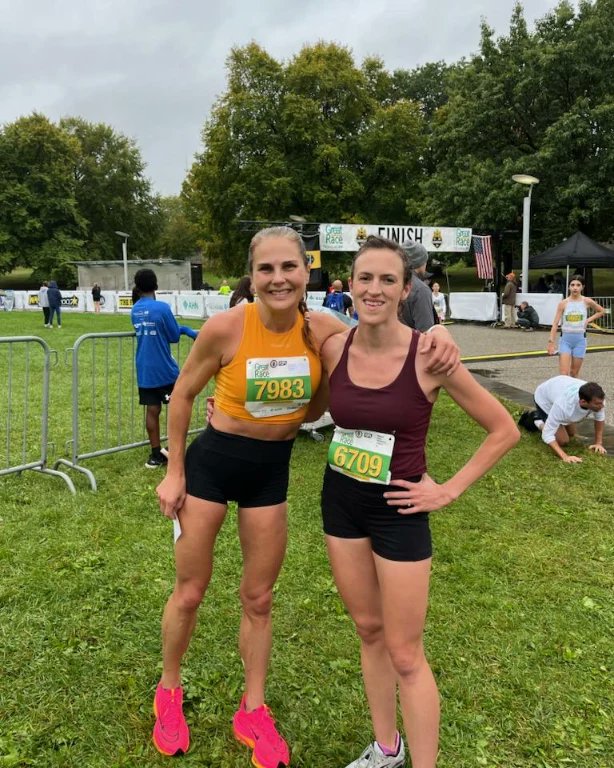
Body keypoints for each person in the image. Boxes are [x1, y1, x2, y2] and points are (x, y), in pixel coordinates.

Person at [153, 226, 460, 764]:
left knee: (260, 599)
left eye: (289, 268)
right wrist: (174, 471)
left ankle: (252, 708)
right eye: (266, 269)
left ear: (306, 272)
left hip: (271, 473)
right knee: (191, 590)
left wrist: (440, 336)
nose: (278, 279)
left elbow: (366, 358)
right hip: (212, 466)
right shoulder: (227, 327)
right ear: (252, 275)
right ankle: (169, 690)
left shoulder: (323, 329)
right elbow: (182, 397)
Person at [317, 235, 519, 768]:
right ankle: (387, 747)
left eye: (388, 279)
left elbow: (503, 430)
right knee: (368, 630)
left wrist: (447, 489)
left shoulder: (429, 355)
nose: (374, 289)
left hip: (400, 512)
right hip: (340, 505)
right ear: (350, 286)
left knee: (405, 653)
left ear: (407, 289)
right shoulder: (333, 345)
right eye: (365, 278)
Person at [130, 269, 199, 469]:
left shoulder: (134, 310)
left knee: (152, 411)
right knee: (178, 406)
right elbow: (173, 336)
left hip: (144, 370)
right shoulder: (162, 308)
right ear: (156, 285)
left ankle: (155, 454)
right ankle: (175, 451)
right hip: (165, 370)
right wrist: (186, 330)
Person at [523, 375, 607, 463]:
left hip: (560, 387)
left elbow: (599, 418)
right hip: (544, 399)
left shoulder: (598, 399)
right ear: (583, 402)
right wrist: (565, 457)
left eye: (602, 402)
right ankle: (537, 420)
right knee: (563, 441)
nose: (602, 406)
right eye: (598, 404)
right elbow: (547, 435)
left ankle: (553, 421)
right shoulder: (563, 406)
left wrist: (598, 443)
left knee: (571, 434)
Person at [547, 275, 604, 378]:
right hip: (565, 340)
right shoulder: (563, 303)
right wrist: (551, 342)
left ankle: (573, 393)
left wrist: (588, 320)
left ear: (582, 287)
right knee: (564, 374)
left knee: (574, 373)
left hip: (580, 340)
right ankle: (563, 393)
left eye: (578, 285)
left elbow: (601, 311)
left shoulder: (587, 301)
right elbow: (555, 323)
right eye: (572, 285)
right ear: (569, 287)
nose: (575, 287)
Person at [399, 241, 438, 331]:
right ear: (420, 263)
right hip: (411, 344)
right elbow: (425, 331)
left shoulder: (390, 282)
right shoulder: (421, 290)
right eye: (425, 262)